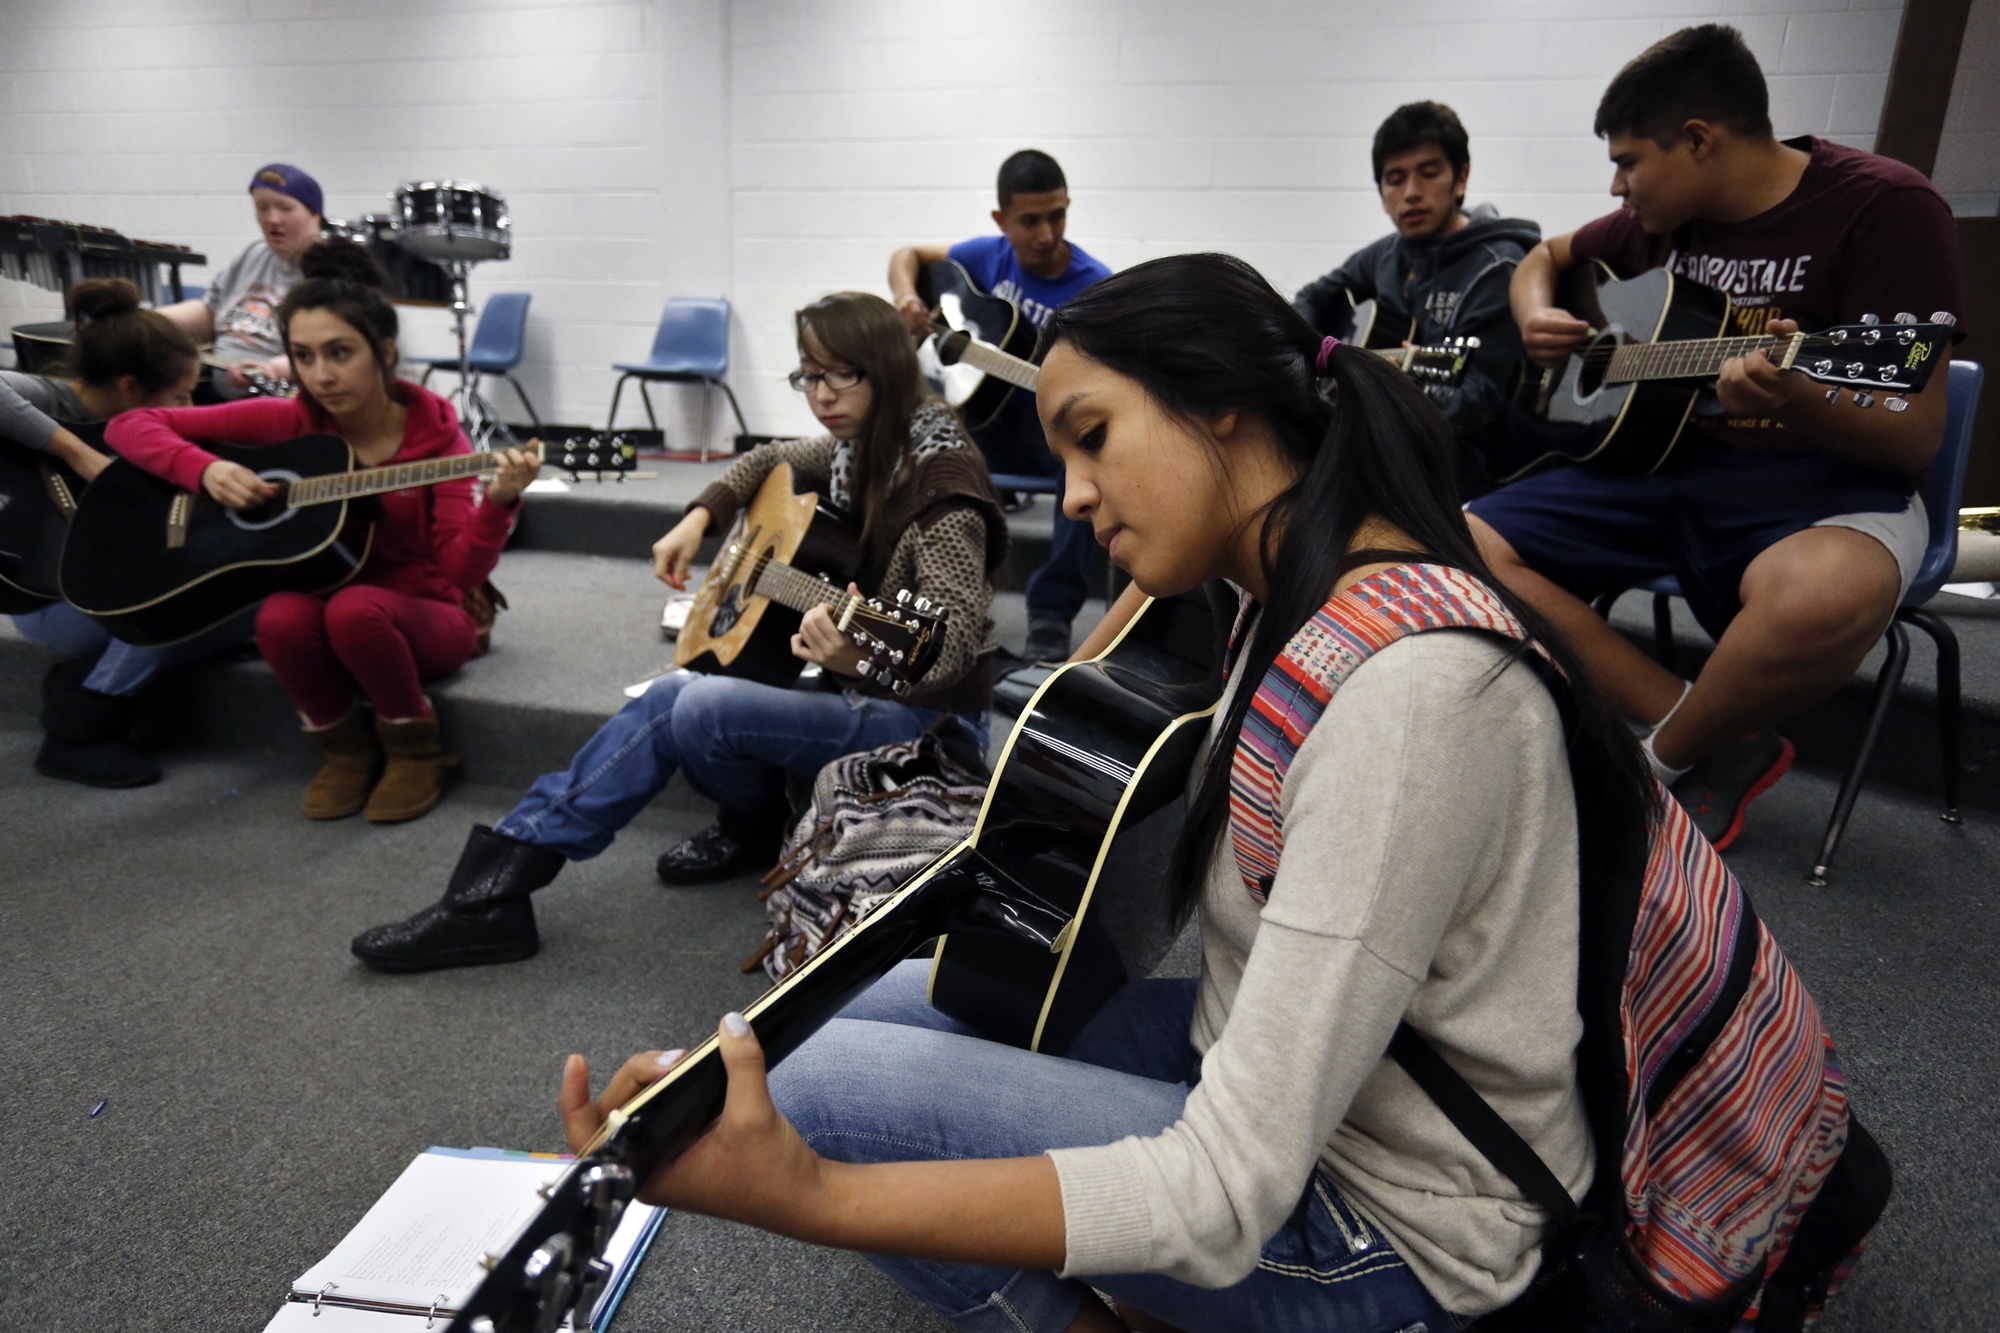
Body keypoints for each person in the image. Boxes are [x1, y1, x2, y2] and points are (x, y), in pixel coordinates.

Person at [555, 254, 1659, 1332]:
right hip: (1307, 1064)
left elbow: (1224, 1191)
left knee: (815, 1095)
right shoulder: (1295, 598)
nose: (1073, 497)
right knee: (821, 1021)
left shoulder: (1410, 695)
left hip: (1405, 1213)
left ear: (1220, 405)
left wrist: (810, 1197)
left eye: (1092, 436)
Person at [349, 291, 1005, 974]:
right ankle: (745, 832)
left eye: (844, 374)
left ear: (889, 368)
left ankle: (491, 895)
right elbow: (767, 461)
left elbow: (951, 645)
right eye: (809, 375)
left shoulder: (942, 487)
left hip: (927, 723)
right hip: (859, 688)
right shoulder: (860, 446)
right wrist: (700, 518)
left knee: (687, 702)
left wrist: (860, 657)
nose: (822, 395)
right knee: (701, 687)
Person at [1466, 23, 1965, 848]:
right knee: (1456, 535)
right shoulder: (1659, 223)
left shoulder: (1885, 207)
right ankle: (1718, 734)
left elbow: (1914, 440)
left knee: (1827, 593)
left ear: (1699, 140)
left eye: (1628, 160)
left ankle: (1651, 766)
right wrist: (1538, 317)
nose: (1617, 186)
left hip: (1821, 486)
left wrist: (1798, 400)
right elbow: (1540, 258)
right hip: (1662, 470)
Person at [106, 238, 538, 823]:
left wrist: (500, 504)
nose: (321, 375)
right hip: (329, 608)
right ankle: (345, 751)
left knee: (354, 609)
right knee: (279, 615)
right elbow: (132, 424)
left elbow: (460, 573)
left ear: (383, 352)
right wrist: (205, 469)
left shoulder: (439, 440)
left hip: (427, 616)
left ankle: (416, 750)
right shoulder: (288, 422)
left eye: (340, 353)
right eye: (303, 357)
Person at [3, 278, 243, 788]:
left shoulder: (150, 421)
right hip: (51, 600)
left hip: (91, 591)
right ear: (131, 388)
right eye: (180, 396)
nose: (188, 411)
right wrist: (75, 451)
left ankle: (86, 673)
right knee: (181, 596)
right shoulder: (57, 399)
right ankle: (79, 728)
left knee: (253, 603)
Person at [889, 149, 1112, 664]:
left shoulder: (1095, 285)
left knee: (1084, 462)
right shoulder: (985, 255)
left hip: (1043, 432)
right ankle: (909, 591)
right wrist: (907, 298)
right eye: (1029, 221)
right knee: (907, 435)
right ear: (1001, 220)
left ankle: (1051, 613)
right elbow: (908, 255)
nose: (1045, 234)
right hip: (980, 422)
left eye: (1057, 216)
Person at [1293, 101, 1539, 495]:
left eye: (1429, 173)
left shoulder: (1497, 268)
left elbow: (1478, 402)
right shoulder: (1388, 253)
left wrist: (1402, 391)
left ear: (1461, 178)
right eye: (1395, 179)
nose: (1411, 193)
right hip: (1381, 435)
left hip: (1460, 461)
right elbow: (1312, 297)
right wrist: (1308, 359)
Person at [159, 163, 325, 398]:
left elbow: (328, 353)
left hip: (279, 399)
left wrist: (274, 369)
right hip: (217, 390)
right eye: (262, 208)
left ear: (314, 214)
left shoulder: (329, 268)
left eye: (285, 209)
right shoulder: (253, 255)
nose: (272, 219)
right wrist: (150, 322)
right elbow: (210, 312)